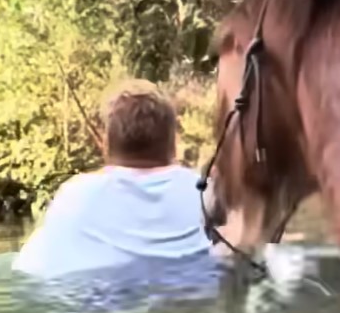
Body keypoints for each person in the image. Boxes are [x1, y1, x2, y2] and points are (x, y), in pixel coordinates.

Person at [12, 80, 211, 279]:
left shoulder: (75, 194)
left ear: (106, 143)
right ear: (173, 141)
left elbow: (25, 267)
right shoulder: (205, 191)